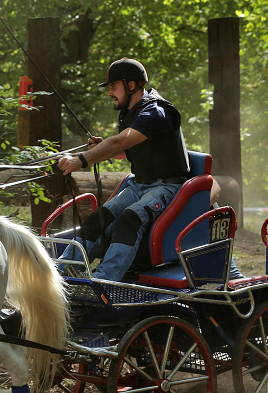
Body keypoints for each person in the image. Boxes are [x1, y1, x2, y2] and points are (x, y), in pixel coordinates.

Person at [56, 58, 191, 281]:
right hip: (140, 185)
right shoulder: (131, 112)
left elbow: (119, 142)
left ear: (131, 85)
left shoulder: (156, 112)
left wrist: (81, 159)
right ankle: (61, 274)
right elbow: (127, 148)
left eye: (113, 86)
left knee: (130, 220)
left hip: (167, 187)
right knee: (97, 219)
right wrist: (101, 149)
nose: (110, 92)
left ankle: (103, 281)